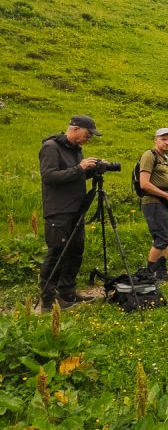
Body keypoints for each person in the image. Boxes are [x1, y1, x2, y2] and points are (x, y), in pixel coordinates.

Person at [37, 115, 101, 309]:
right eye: (87, 134)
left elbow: (75, 174)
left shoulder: (76, 150)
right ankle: (48, 300)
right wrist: (80, 168)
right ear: (75, 128)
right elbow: (49, 176)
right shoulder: (51, 147)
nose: (89, 138)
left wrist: (92, 169)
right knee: (57, 253)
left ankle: (68, 293)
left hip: (76, 210)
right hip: (59, 210)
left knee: (75, 251)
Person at [138, 128, 168, 281]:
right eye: (164, 139)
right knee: (161, 237)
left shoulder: (167, 158)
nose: (167, 142)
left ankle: (161, 272)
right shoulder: (149, 155)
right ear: (156, 139)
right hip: (154, 201)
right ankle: (148, 273)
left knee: (167, 237)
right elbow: (144, 184)